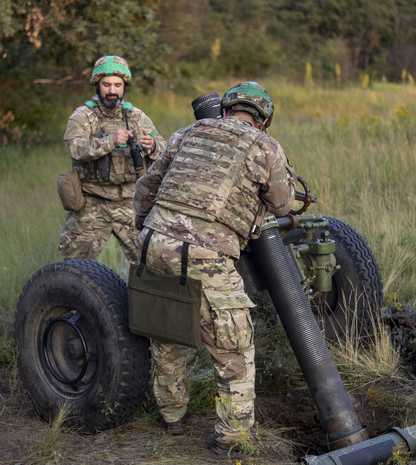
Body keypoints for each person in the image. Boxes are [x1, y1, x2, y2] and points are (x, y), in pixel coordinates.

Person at [133, 82, 296, 453]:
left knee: (168, 331)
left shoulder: (188, 132)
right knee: (233, 347)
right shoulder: (266, 146)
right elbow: (283, 205)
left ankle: (172, 416)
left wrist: (147, 227)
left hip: (153, 242)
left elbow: (147, 186)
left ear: (225, 110)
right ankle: (233, 440)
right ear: (263, 119)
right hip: (204, 252)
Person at [59, 55, 167, 263]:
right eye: (106, 84)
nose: (112, 90)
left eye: (118, 85)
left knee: (150, 263)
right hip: (91, 203)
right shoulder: (83, 116)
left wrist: (152, 146)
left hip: (130, 202)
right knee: (75, 266)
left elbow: (163, 146)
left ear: (124, 86)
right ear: (97, 85)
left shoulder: (137, 117)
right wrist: (110, 141)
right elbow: (74, 147)